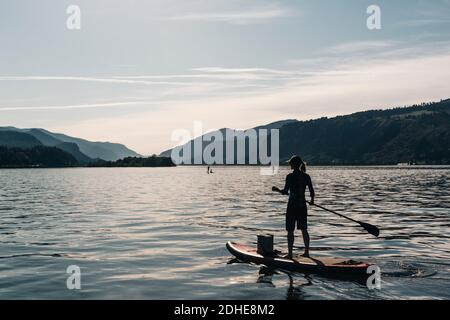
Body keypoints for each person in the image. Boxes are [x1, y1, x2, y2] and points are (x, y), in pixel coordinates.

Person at [272, 155, 315, 259]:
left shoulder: (290, 176)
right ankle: (307, 252)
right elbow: (312, 191)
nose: (289, 164)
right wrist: (312, 201)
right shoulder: (306, 176)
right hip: (302, 206)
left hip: (292, 206)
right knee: (304, 229)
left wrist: (277, 190)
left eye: (290, 163)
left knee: (290, 230)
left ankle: (290, 254)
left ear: (293, 164)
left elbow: (285, 191)